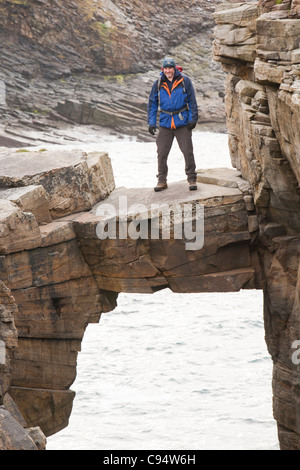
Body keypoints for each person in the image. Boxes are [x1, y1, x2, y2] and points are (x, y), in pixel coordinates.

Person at [147, 57, 199, 192]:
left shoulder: (184, 80)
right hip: (165, 122)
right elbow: (152, 104)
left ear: (174, 68)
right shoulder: (158, 83)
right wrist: (152, 122)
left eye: (170, 68)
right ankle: (162, 181)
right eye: (166, 68)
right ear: (163, 69)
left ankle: (192, 179)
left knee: (187, 151)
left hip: (182, 121)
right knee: (162, 153)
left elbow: (192, 101)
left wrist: (193, 118)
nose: (168, 71)